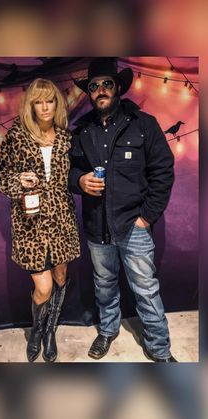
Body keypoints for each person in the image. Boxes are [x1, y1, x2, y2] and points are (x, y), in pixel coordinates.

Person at [69, 57, 177, 362]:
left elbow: (163, 171)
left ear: (117, 88)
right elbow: (69, 170)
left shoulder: (144, 125)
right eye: (94, 86)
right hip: (96, 227)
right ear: (89, 93)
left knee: (145, 289)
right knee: (104, 286)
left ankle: (159, 349)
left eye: (106, 83)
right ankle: (107, 330)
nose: (101, 90)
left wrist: (146, 217)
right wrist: (79, 180)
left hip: (134, 225)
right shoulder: (82, 131)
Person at [0, 78, 80, 363]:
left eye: (50, 100)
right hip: (30, 223)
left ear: (57, 103)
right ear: (30, 105)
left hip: (62, 220)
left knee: (60, 277)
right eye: (38, 101)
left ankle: (51, 331)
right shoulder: (16, 136)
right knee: (42, 288)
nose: (45, 107)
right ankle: (36, 330)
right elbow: (0, 175)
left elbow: (73, 177)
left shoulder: (67, 138)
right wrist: (18, 179)